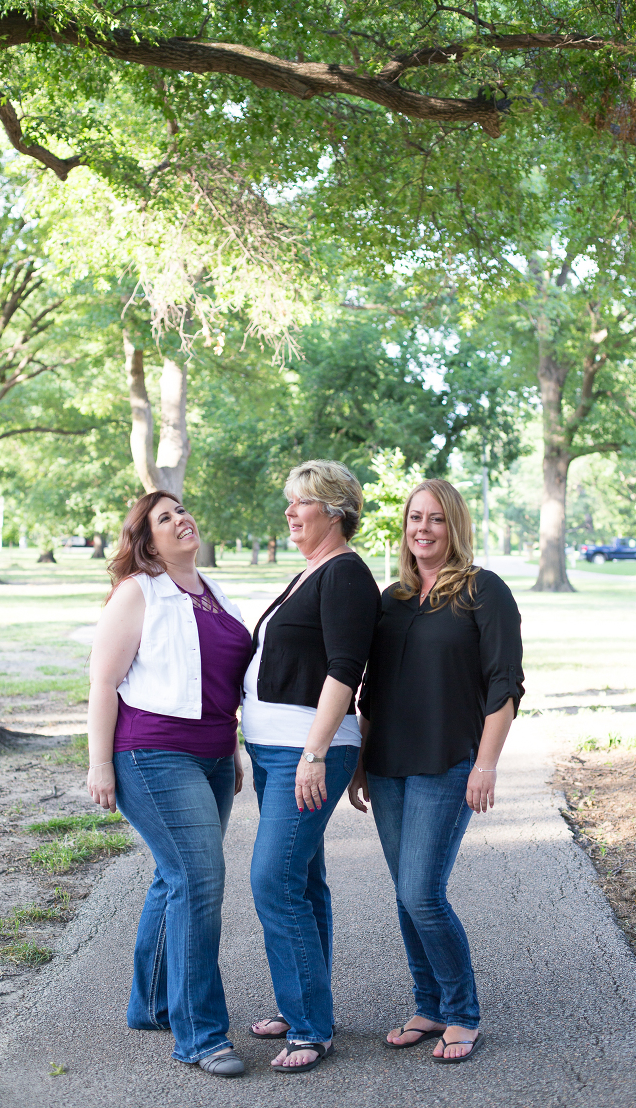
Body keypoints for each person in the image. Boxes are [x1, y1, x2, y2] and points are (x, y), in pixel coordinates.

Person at [349, 479, 524, 1064]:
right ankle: (427, 1005)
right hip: (389, 763)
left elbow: (505, 686)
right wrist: (358, 761)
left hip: (449, 763)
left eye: (436, 520)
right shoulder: (392, 598)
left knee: (422, 892)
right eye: (414, 518)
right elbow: (373, 689)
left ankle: (462, 1013)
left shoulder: (483, 591)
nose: (422, 529)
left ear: (456, 527)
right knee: (406, 894)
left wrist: (487, 764)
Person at [86, 490, 253, 1078]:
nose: (181, 519)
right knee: (200, 882)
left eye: (181, 510)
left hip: (209, 757)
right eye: (164, 517)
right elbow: (103, 682)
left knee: (175, 878)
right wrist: (99, 763)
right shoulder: (140, 592)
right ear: (146, 540)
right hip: (151, 756)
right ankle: (201, 1035)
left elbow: (219, 684)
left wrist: (230, 747)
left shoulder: (212, 592)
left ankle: (153, 1005)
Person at [243, 460, 381, 1073]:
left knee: (273, 880)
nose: (290, 514)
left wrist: (317, 753)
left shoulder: (346, 574)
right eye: (289, 503)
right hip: (275, 748)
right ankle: (304, 1002)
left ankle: (309, 1026)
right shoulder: (309, 573)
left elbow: (345, 668)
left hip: (307, 749)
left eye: (300, 503)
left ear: (334, 510)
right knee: (300, 881)